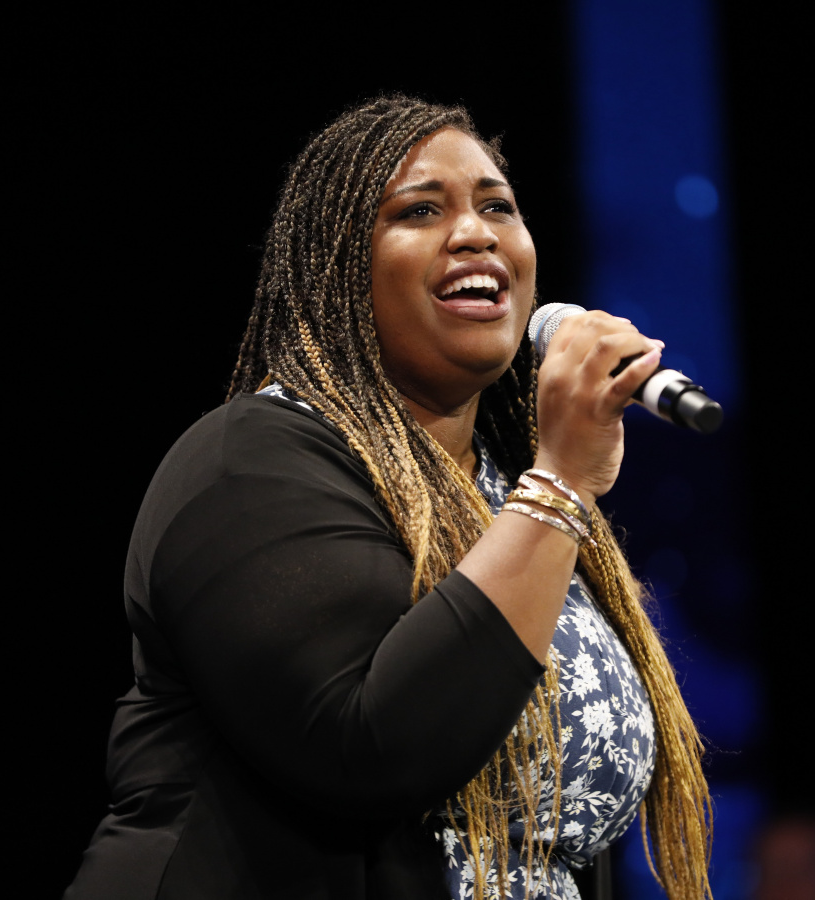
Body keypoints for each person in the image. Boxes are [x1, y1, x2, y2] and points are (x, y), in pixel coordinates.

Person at [65, 95, 713, 900]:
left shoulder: (504, 492)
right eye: (420, 210)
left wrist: (548, 488)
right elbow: (373, 747)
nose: (476, 233)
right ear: (336, 267)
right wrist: (561, 485)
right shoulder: (249, 465)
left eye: (498, 207)